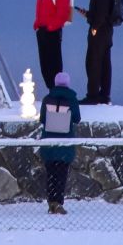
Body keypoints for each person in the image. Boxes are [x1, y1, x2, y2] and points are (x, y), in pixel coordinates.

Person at [38, 72, 82, 214]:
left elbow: (42, 118)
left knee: (51, 173)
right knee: (61, 174)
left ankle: (52, 201)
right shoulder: (72, 100)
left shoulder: (47, 99)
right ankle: (58, 203)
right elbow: (77, 118)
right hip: (65, 143)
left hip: (49, 143)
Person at [73, 0, 115, 104]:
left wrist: (95, 27)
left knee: (93, 62)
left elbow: (101, 14)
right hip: (106, 31)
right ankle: (104, 95)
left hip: (100, 31)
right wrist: (87, 14)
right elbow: (101, 12)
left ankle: (93, 96)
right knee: (104, 62)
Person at [32, 0, 71, 90]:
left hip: (52, 32)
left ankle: (57, 89)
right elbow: (39, 12)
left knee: (54, 63)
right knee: (44, 64)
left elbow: (63, 14)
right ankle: (51, 89)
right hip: (42, 32)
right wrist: (37, 25)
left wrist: (51, 27)